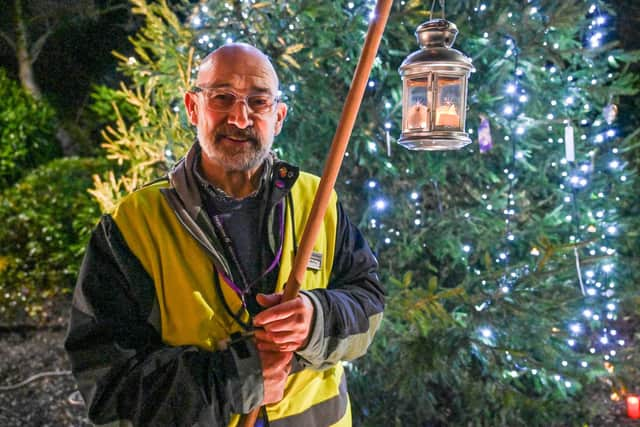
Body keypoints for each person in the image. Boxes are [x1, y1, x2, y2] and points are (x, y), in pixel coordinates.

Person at [65, 43, 384, 427]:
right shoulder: (133, 225)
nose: (239, 117)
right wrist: (235, 380)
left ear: (278, 117)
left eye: (258, 101)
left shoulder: (317, 202)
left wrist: (317, 319)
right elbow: (108, 387)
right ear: (193, 107)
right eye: (223, 98)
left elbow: (368, 303)